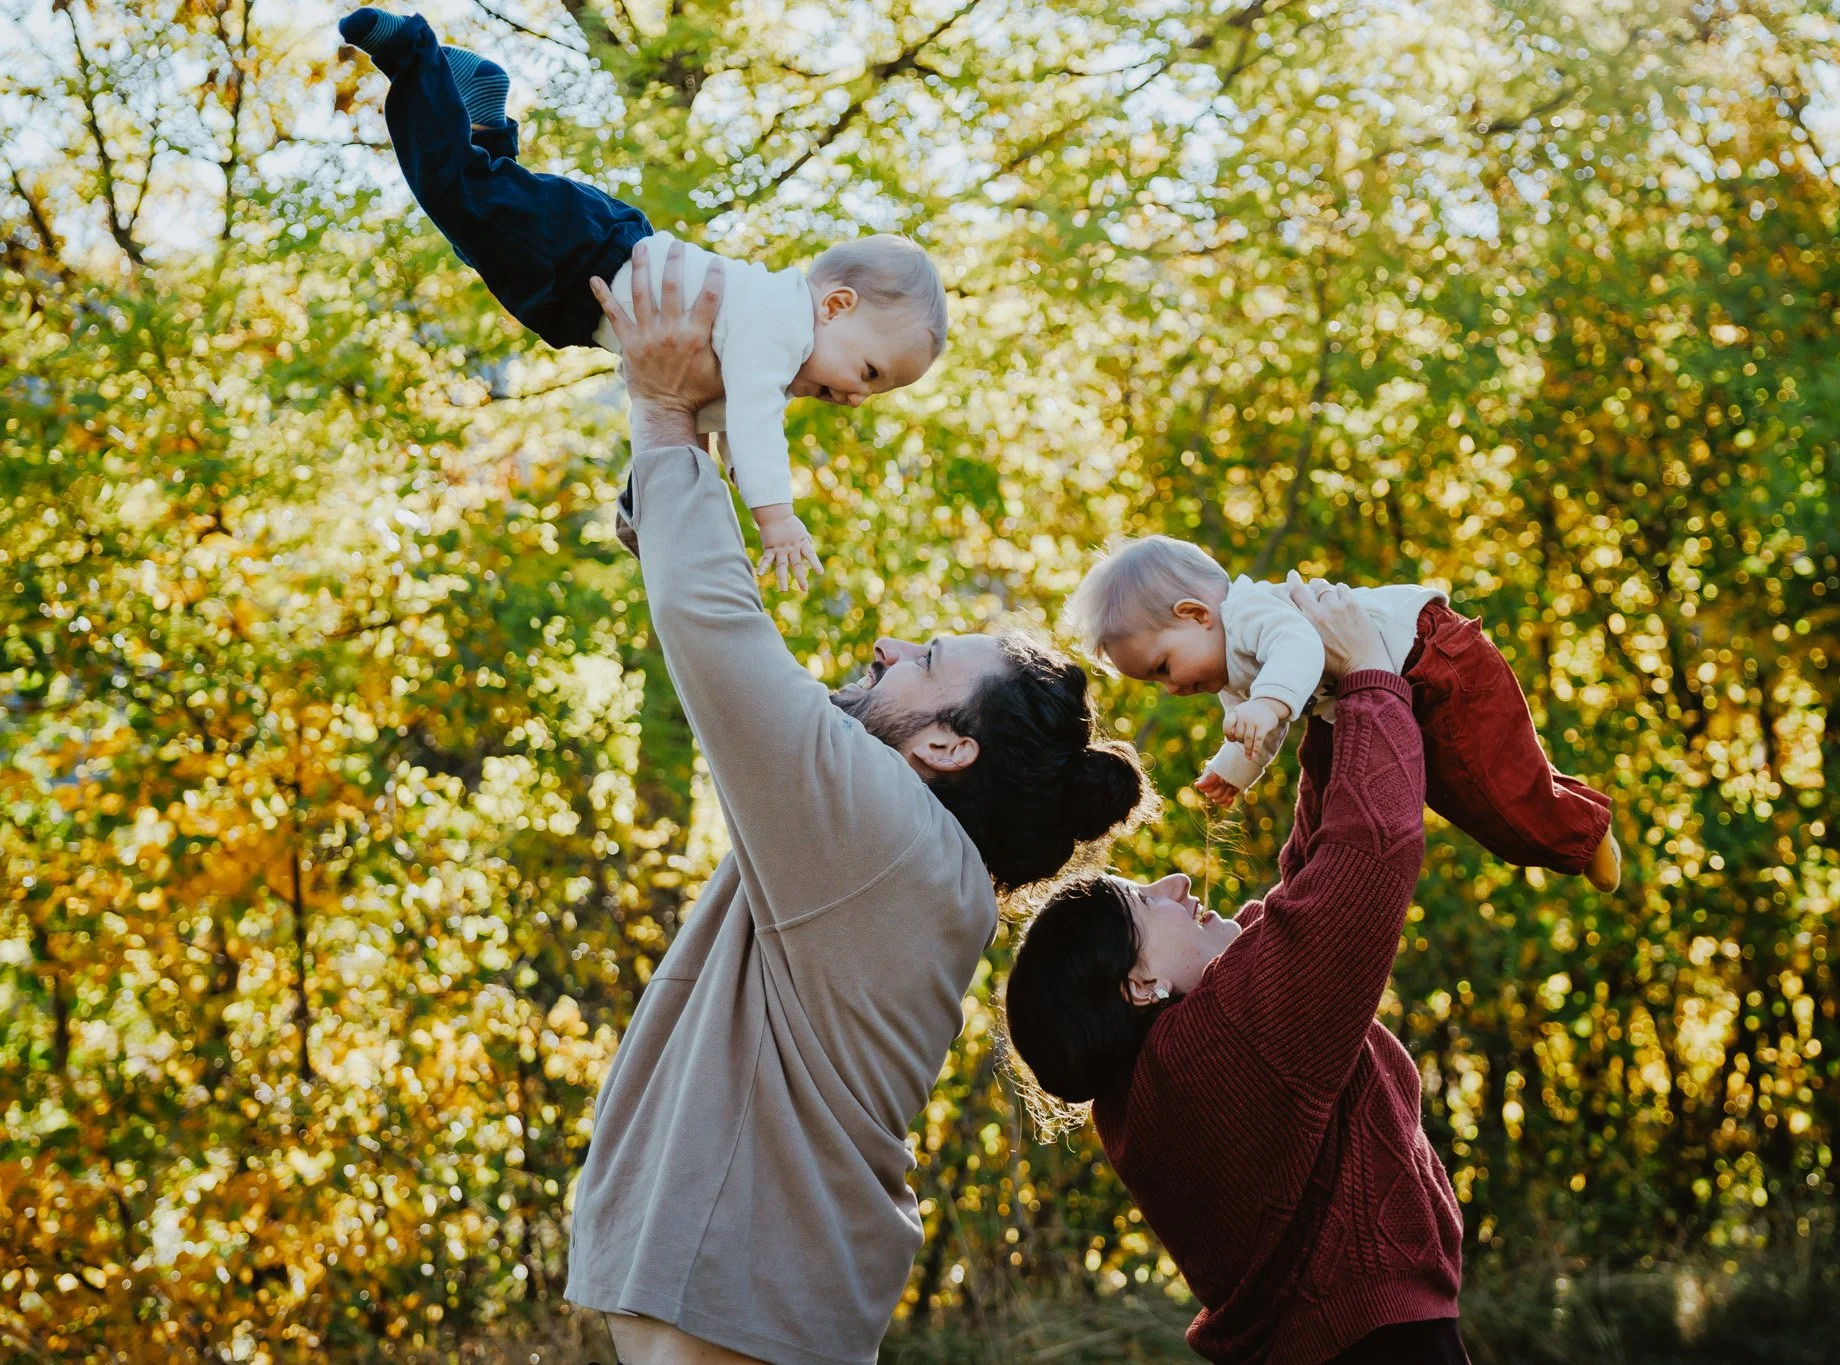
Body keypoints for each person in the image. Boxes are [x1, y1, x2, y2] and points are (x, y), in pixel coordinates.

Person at [563, 244, 1147, 1364]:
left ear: (940, 745)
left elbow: (719, 639)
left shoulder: (882, 838)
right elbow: (711, 621)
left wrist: (660, 411)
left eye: (923, 656)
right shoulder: (902, 854)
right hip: (746, 1299)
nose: (884, 645)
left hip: (738, 1298)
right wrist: (677, 452)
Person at [1006, 583, 1473, 1365]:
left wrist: (1324, 715)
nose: (1177, 887)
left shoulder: (1163, 1079)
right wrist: (1366, 678)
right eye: (1144, 903)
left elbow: (1308, 891)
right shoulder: (1214, 1050)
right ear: (1137, 985)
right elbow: (1365, 859)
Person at [338, 9, 950, 589]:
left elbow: (737, 435)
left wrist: (683, 505)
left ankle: (483, 119)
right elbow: (755, 428)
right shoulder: (781, 324)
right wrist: (776, 520)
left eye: (876, 391)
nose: (855, 397)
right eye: (868, 372)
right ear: (835, 306)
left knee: (480, 231)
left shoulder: (771, 355)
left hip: (584, 262)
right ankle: (414, 56)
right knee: (453, 193)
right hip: (584, 254)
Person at [1066, 534, 1621, 890]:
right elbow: (1256, 728)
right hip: (1362, 694)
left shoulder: (1252, 611)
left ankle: (1582, 832)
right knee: (1326, 806)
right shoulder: (1226, 667)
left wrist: (1268, 702)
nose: (1169, 688)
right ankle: (1302, 891)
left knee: (1485, 786)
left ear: (1195, 614)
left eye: (1162, 666)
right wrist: (1232, 770)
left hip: (1431, 657)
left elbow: (1300, 648)